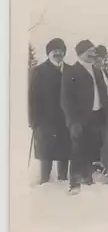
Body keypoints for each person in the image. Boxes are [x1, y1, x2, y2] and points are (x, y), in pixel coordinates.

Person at [61, 40, 108, 195]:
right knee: (77, 149)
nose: (93, 52)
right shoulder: (71, 71)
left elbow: (103, 93)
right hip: (79, 118)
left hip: (97, 116)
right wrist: (72, 121)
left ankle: (87, 176)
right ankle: (74, 182)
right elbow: (65, 99)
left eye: (94, 49)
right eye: (89, 50)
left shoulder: (96, 70)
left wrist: (106, 114)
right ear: (80, 53)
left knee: (92, 147)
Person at [28, 38, 71, 184]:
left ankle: (63, 180)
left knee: (65, 151)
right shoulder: (38, 71)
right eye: (55, 50)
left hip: (66, 120)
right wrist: (33, 121)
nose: (58, 53)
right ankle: (44, 183)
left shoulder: (70, 70)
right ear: (48, 53)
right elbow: (31, 98)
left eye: (61, 50)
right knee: (46, 153)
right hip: (45, 120)